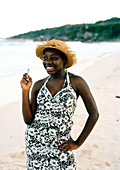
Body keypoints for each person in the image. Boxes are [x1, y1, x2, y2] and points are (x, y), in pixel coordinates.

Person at [20, 39, 99, 169]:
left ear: (64, 60)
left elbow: (94, 114)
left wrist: (78, 143)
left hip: (60, 146)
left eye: (54, 58)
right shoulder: (39, 85)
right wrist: (25, 91)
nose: (48, 62)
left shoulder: (76, 82)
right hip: (35, 145)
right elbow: (28, 120)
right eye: (45, 58)